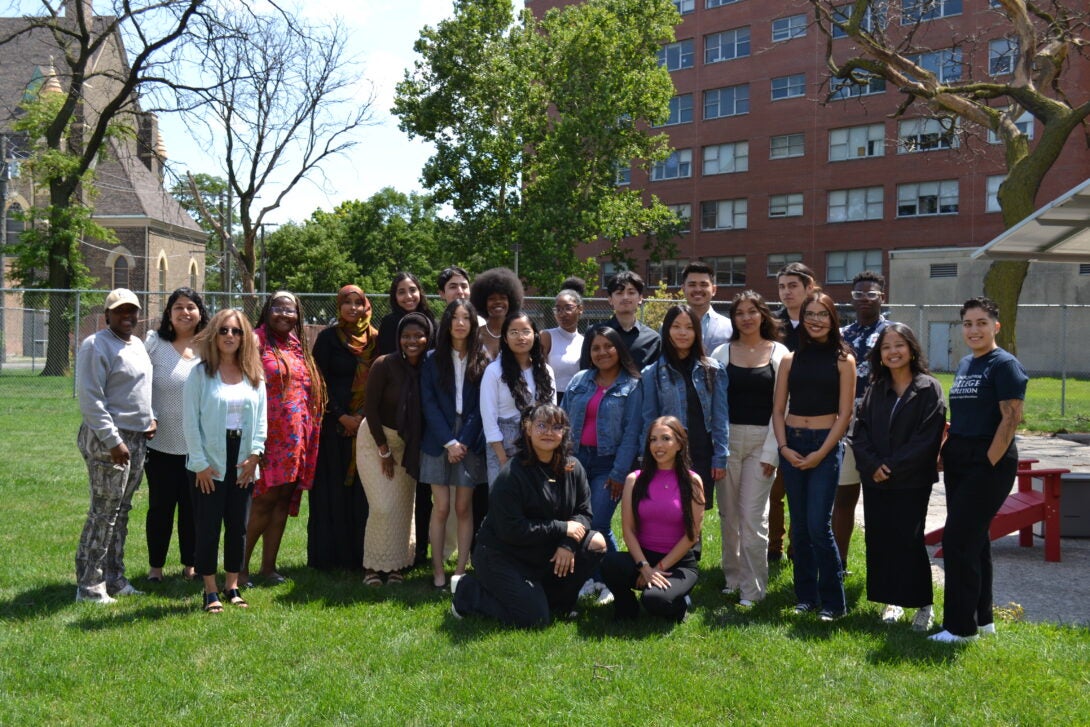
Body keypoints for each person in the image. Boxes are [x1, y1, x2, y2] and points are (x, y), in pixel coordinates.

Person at [450, 404, 608, 627]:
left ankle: (556, 603)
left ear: (564, 432)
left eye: (556, 427)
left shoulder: (574, 467)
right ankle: (468, 591)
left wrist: (568, 543)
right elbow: (512, 530)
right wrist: (562, 529)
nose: (548, 432)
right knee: (534, 619)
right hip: (502, 554)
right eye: (541, 425)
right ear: (528, 429)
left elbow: (583, 513)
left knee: (596, 543)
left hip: (542, 551)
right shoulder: (512, 474)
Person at [930, 297, 1027, 643]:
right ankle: (983, 620)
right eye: (968, 324)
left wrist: (987, 464)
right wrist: (947, 449)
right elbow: (968, 414)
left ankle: (960, 628)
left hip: (989, 461)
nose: (974, 329)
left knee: (956, 540)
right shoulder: (967, 364)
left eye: (981, 323)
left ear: (995, 327)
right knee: (976, 540)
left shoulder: (1004, 365)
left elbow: (1010, 420)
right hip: (960, 457)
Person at [852, 323, 945, 632]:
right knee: (881, 539)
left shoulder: (928, 388)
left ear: (911, 348)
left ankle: (923, 605)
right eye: (886, 347)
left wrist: (890, 466)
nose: (893, 352)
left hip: (911, 481)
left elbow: (926, 438)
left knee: (908, 540)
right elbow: (860, 431)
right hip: (875, 479)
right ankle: (891, 601)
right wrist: (872, 465)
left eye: (898, 345)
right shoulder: (875, 388)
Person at [772, 291, 856, 621]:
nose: (816, 320)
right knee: (801, 528)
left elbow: (845, 414)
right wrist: (783, 448)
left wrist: (822, 452)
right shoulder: (790, 360)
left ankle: (834, 603)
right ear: (802, 318)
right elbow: (778, 410)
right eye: (810, 314)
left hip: (825, 444)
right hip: (792, 442)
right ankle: (805, 597)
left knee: (820, 527)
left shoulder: (843, 360)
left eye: (823, 314)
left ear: (833, 319)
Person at [75, 288, 156, 603]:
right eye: (120, 311)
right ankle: (89, 585)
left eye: (132, 311)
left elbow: (140, 387)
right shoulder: (95, 345)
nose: (127, 317)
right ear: (106, 315)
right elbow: (91, 400)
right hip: (108, 439)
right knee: (104, 512)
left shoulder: (136, 343)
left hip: (136, 438)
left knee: (121, 511)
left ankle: (115, 579)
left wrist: (151, 417)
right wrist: (113, 441)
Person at [183, 309, 267, 613]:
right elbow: (190, 422)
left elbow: (261, 421)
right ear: (214, 335)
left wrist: (255, 455)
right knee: (207, 526)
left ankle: (232, 586)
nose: (230, 336)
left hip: (243, 460)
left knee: (238, 527)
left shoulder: (253, 374)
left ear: (245, 337)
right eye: (224, 331)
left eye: (237, 331)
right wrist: (200, 463)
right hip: (210, 461)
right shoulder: (200, 373)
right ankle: (210, 590)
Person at [710, 291, 787, 606]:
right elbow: (714, 406)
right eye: (739, 312)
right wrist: (718, 448)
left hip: (762, 442)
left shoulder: (780, 353)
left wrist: (772, 451)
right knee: (729, 517)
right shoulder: (721, 353)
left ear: (763, 314)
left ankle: (754, 589)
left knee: (754, 518)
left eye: (752, 311)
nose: (745, 317)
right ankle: (733, 578)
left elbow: (782, 407)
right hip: (727, 443)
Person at [245, 291, 325, 585]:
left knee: (282, 501)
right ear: (267, 310)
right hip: (266, 437)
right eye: (277, 308)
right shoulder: (255, 341)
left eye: (290, 310)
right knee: (263, 501)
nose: (284, 314)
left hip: (294, 440)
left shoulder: (297, 345)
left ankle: (268, 567)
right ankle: (239, 568)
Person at [563, 325, 644, 605]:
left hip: (608, 463)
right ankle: (591, 577)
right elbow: (562, 421)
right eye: (595, 348)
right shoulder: (580, 380)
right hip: (575, 461)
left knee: (597, 521)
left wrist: (620, 472)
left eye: (608, 346)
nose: (602, 352)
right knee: (578, 521)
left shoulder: (632, 386)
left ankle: (611, 579)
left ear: (618, 349)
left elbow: (633, 433)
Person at [600, 416, 705, 622]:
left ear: (679, 444)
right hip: (644, 557)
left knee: (655, 600)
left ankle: (679, 603)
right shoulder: (634, 479)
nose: (658, 445)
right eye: (653, 439)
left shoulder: (693, 481)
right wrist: (645, 567)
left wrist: (658, 569)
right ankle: (626, 608)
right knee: (609, 563)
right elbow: (628, 530)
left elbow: (692, 536)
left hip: (679, 563)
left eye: (666, 439)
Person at [358, 312, 433, 585]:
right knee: (382, 506)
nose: (412, 341)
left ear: (428, 337)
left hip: (407, 444)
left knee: (402, 506)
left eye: (418, 335)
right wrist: (383, 449)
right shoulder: (384, 364)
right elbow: (370, 409)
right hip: (375, 440)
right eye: (406, 336)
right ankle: (372, 567)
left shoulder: (430, 368)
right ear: (398, 338)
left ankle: (396, 565)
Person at [307, 285, 377, 571]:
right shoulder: (327, 339)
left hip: (367, 427)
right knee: (331, 491)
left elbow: (382, 380)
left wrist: (361, 417)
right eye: (346, 302)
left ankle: (359, 557)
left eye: (357, 302)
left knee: (362, 494)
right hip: (333, 427)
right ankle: (328, 558)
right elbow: (317, 381)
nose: (352, 308)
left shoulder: (376, 340)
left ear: (365, 306)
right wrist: (341, 416)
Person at [421, 300, 489, 588]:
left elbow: (480, 407)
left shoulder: (483, 358)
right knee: (441, 507)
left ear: (473, 324)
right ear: (447, 322)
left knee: (464, 507)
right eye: (455, 317)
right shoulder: (432, 358)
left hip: (470, 439)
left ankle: (461, 570)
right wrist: (449, 442)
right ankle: (437, 570)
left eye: (466, 318)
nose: (460, 323)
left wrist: (462, 442)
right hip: (438, 440)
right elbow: (429, 403)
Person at [144, 287, 208, 583]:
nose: (185, 312)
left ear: (200, 313)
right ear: (169, 314)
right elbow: (138, 383)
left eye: (191, 307)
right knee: (160, 507)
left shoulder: (210, 347)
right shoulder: (154, 343)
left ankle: (191, 564)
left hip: (198, 446)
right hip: (160, 444)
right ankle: (155, 568)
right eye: (178, 307)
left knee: (193, 510)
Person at [641, 304, 728, 510]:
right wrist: (646, 457)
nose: (682, 332)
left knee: (694, 514)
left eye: (689, 327)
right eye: (676, 326)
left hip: (702, 451)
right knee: (669, 510)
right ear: (667, 330)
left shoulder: (713, 369)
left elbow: (720, 416)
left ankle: (693, 545)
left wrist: (720, 456)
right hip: (667, 453)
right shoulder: (652, 373)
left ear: (696, 332)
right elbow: (649, 419)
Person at [833, 270, 891, 573]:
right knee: (843, 499)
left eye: (871, 294)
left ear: (882, 297)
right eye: (859, 294)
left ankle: (882, 572)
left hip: (882, 428)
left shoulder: (894, 333)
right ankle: (838, 565)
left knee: (881, 503)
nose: (865, 300)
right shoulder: (842, 335)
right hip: (846, 427)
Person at [767, 261, 816, 562]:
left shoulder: (821, 321)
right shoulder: (772, 325)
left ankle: (800, 547)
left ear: (809, 287)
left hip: (813, 416)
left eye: (793, 285)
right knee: (775, 491)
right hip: (775, 417)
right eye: (782, 286)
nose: (787, 292)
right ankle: (773, 547)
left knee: (806, 493)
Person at [480, 311, 556, 485]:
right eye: (513, 332)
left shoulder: (545, 371)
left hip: (538, 444)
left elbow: (552, 414)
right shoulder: (494, 372)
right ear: (505, 338)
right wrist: (502, 458)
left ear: (535, 335)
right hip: (504, 446)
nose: (520, 337)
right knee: (505, 504)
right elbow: (489, 420)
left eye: (526, 331)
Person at [578, 270, 660, 370]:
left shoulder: (652, 338)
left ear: (640, 298)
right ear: (610, 299)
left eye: (631, 292)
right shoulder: (595, 333)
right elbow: (585, 370)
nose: (625, 297)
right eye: (619, 293)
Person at [540, 288, 584, 403]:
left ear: (580, 309)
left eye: (568, 308)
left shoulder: (584, 341)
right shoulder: (547, 336)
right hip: (551, 399)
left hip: (577, 400)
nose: (562, 314)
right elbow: (538, 372)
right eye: (558, 309)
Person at [376, 272, 436, 356]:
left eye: (412, 290)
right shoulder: (389, 323)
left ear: (419, 292)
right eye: (401, 292)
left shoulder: (430, 320)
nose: (408, 296)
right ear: (395, 296)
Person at [470, 267, 524, 360]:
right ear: (483, 302)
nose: (498, 301)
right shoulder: (475, 334)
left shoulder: (518, 335)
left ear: (511, 301)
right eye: (492, 298)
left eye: (503, 298)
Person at [680, 261, 733, 354]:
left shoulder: (729, 327)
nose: (698, 289)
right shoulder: (669, 327)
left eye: (703, 285)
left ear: (714, 290)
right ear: (683, 289)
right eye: (692, 285)